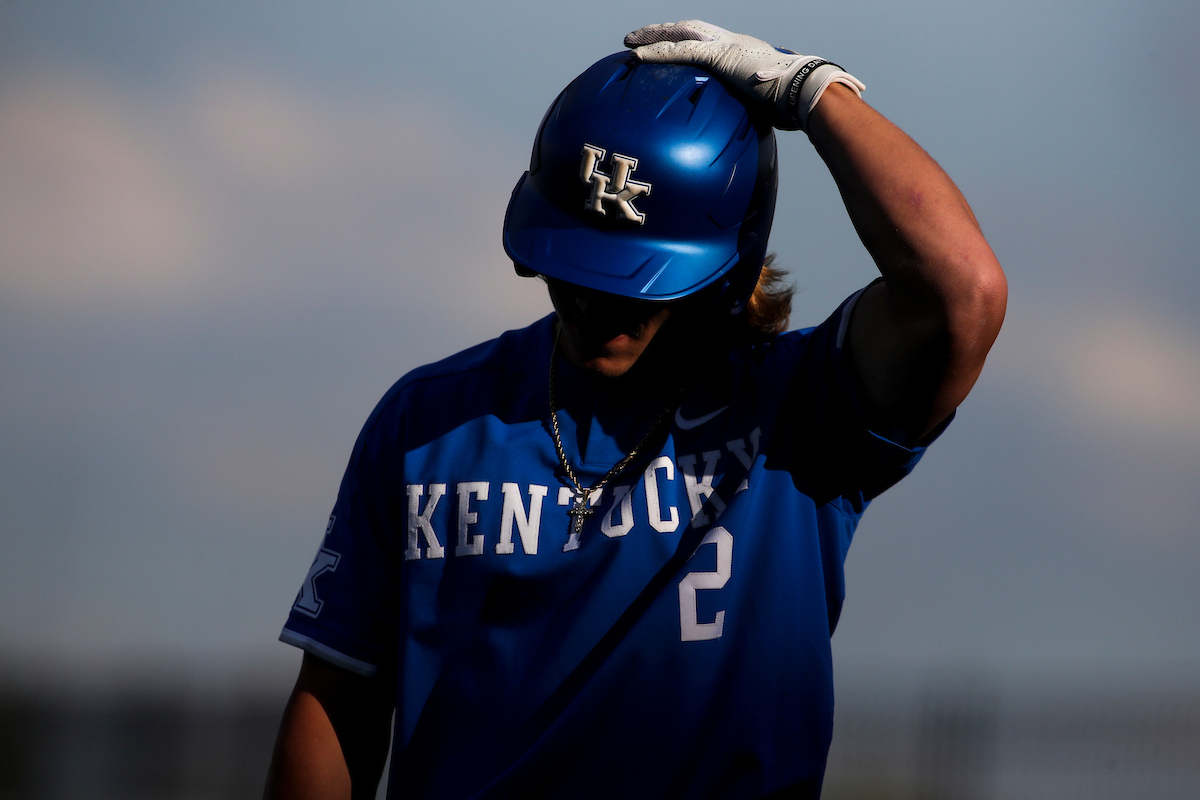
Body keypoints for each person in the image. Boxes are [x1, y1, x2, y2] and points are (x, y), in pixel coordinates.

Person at [264, 20, 1006, 800]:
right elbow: (338, 697)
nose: (594, 303)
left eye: (635, 280)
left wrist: (814, 92)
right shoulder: (430, 422)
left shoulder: (803, 410)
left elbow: (963, 289)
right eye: (577, 266)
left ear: (731, 266)